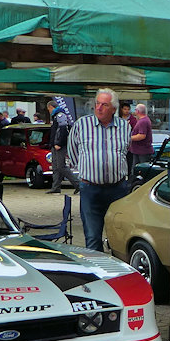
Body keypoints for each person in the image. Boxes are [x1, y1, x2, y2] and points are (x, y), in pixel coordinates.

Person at [67, 88, 132, 252]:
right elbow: (72, 152)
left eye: (104, 105)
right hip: (90, 189)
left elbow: (125, 151)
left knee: (119, 236)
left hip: (117, 189)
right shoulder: (81, 125)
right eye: (97, 103)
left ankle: (117, 267)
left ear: (114, 109)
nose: (99, 108)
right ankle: (96, 267)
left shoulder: (124, 126)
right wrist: (87, 170)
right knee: (92, 236)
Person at [48, 107, 73, 193]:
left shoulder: (60, 116)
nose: (49, 111)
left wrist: (59, 143)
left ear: (51, 107)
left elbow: (63, 131)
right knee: (55, 167)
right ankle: (55, 187)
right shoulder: (55, 117)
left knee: (61, 166)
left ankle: (78, 184)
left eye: (49, 109)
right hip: (54, 145)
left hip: (59, 146)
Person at [128, 103, 154, 181]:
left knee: (142, 171)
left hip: (142, 151)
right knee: (135, 170)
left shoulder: (143, 121)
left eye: (135, 110)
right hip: (138, 150)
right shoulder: (143, 120)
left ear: (138, 111)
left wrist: (129, 138)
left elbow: (142, 135)